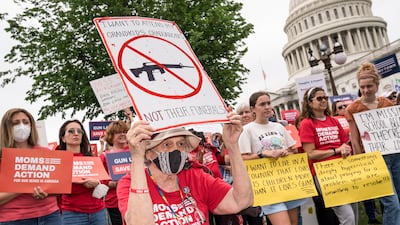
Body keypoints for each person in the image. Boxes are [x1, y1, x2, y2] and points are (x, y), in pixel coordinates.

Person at [116, 108, 253, 225]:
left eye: (181, 144)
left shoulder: (196, 178)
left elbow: (241, 200)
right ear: (149, 152)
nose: (176, 150)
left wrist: (233, 146)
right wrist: (137, 157)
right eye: (167, 144)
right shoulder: (129, 184)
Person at [239, 91, 306, 225]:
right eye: (262, 104)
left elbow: (294, 150)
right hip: (268, 187)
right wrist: (262, 154)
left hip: (288, 182)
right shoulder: (247, 130)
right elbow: (242, 159)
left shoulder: (279, 127)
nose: (267, 107)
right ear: (253, 109)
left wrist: (286, 154)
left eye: (269, 103)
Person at [345, 62, 400, 225]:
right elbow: (355, 140)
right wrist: (360, 162)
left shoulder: (387, 104)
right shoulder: (353, 109)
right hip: (374, 160)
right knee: (392, 204)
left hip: (394, 155)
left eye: (369, 86)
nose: (366, 90)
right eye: (362, 87)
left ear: (377, 85)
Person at [298, 87, 356, 225]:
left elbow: (344, 143)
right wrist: (336, 150)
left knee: (353, 212)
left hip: (343, 169)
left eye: (325, 97)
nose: (323, 101)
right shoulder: (306, 123)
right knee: (347, 216)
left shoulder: (333, 121)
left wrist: (346, 149)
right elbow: (310, 154)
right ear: (309, 102)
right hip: (324, 173)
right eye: (319, 98)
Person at [0, 108, 61, 224]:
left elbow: (59, 188)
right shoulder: (1, 156)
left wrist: (46, 191)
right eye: (15, 123)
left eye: (25, 122)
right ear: (6, 127)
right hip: (15, 219)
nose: (22, 126)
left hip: (50, 216)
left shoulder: (45, 153)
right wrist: (24, 186)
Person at [57, 119, 107, 225]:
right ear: (63, 138)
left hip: (98, 212)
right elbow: (59, 188)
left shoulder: (92, 158)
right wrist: (82, 184)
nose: (76, 134)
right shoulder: (59, 160)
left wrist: (97, 183)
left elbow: (104, 183)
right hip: (72, 214)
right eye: (71, 131)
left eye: (79, 131)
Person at [100, 120, 130, 225]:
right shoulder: (104, 156)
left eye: (124, 131)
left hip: (134, 199)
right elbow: (102, 181)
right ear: (111, 136)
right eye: (118, 132)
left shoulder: (134, 151)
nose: (122, 134)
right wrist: (113, 183)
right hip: (114, 202)